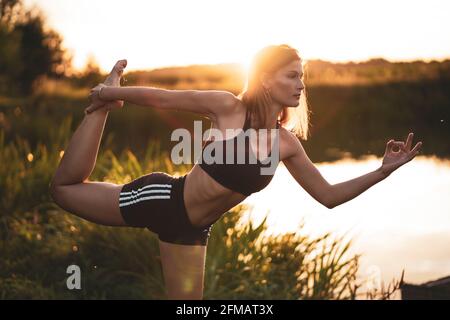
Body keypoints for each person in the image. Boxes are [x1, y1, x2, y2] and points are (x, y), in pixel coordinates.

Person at [50, 44, 422, 299]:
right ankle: (102, 105)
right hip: (163, 199)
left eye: (302, 77)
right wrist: (109, 94)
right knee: (65, 190)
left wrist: (382, 171)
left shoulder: (285, 143)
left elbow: (328, 197)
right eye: (292, 76)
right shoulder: (228, 108)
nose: (301, 84)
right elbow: (163, 97)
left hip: (193, 230)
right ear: (265, 79)